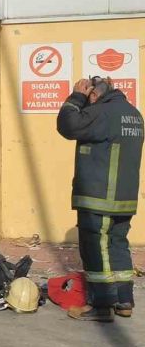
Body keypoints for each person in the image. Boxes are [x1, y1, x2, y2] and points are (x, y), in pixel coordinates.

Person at [57, 77, 144, 322]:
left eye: (88, 96)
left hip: (100, 196)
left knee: (96, 248)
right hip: (123, 198)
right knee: (117, 244)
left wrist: (75, 97)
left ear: (94, 95)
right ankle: (124, 301)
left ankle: (102, 305)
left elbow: (68, 126)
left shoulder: (102, 113)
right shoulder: (133, 114)